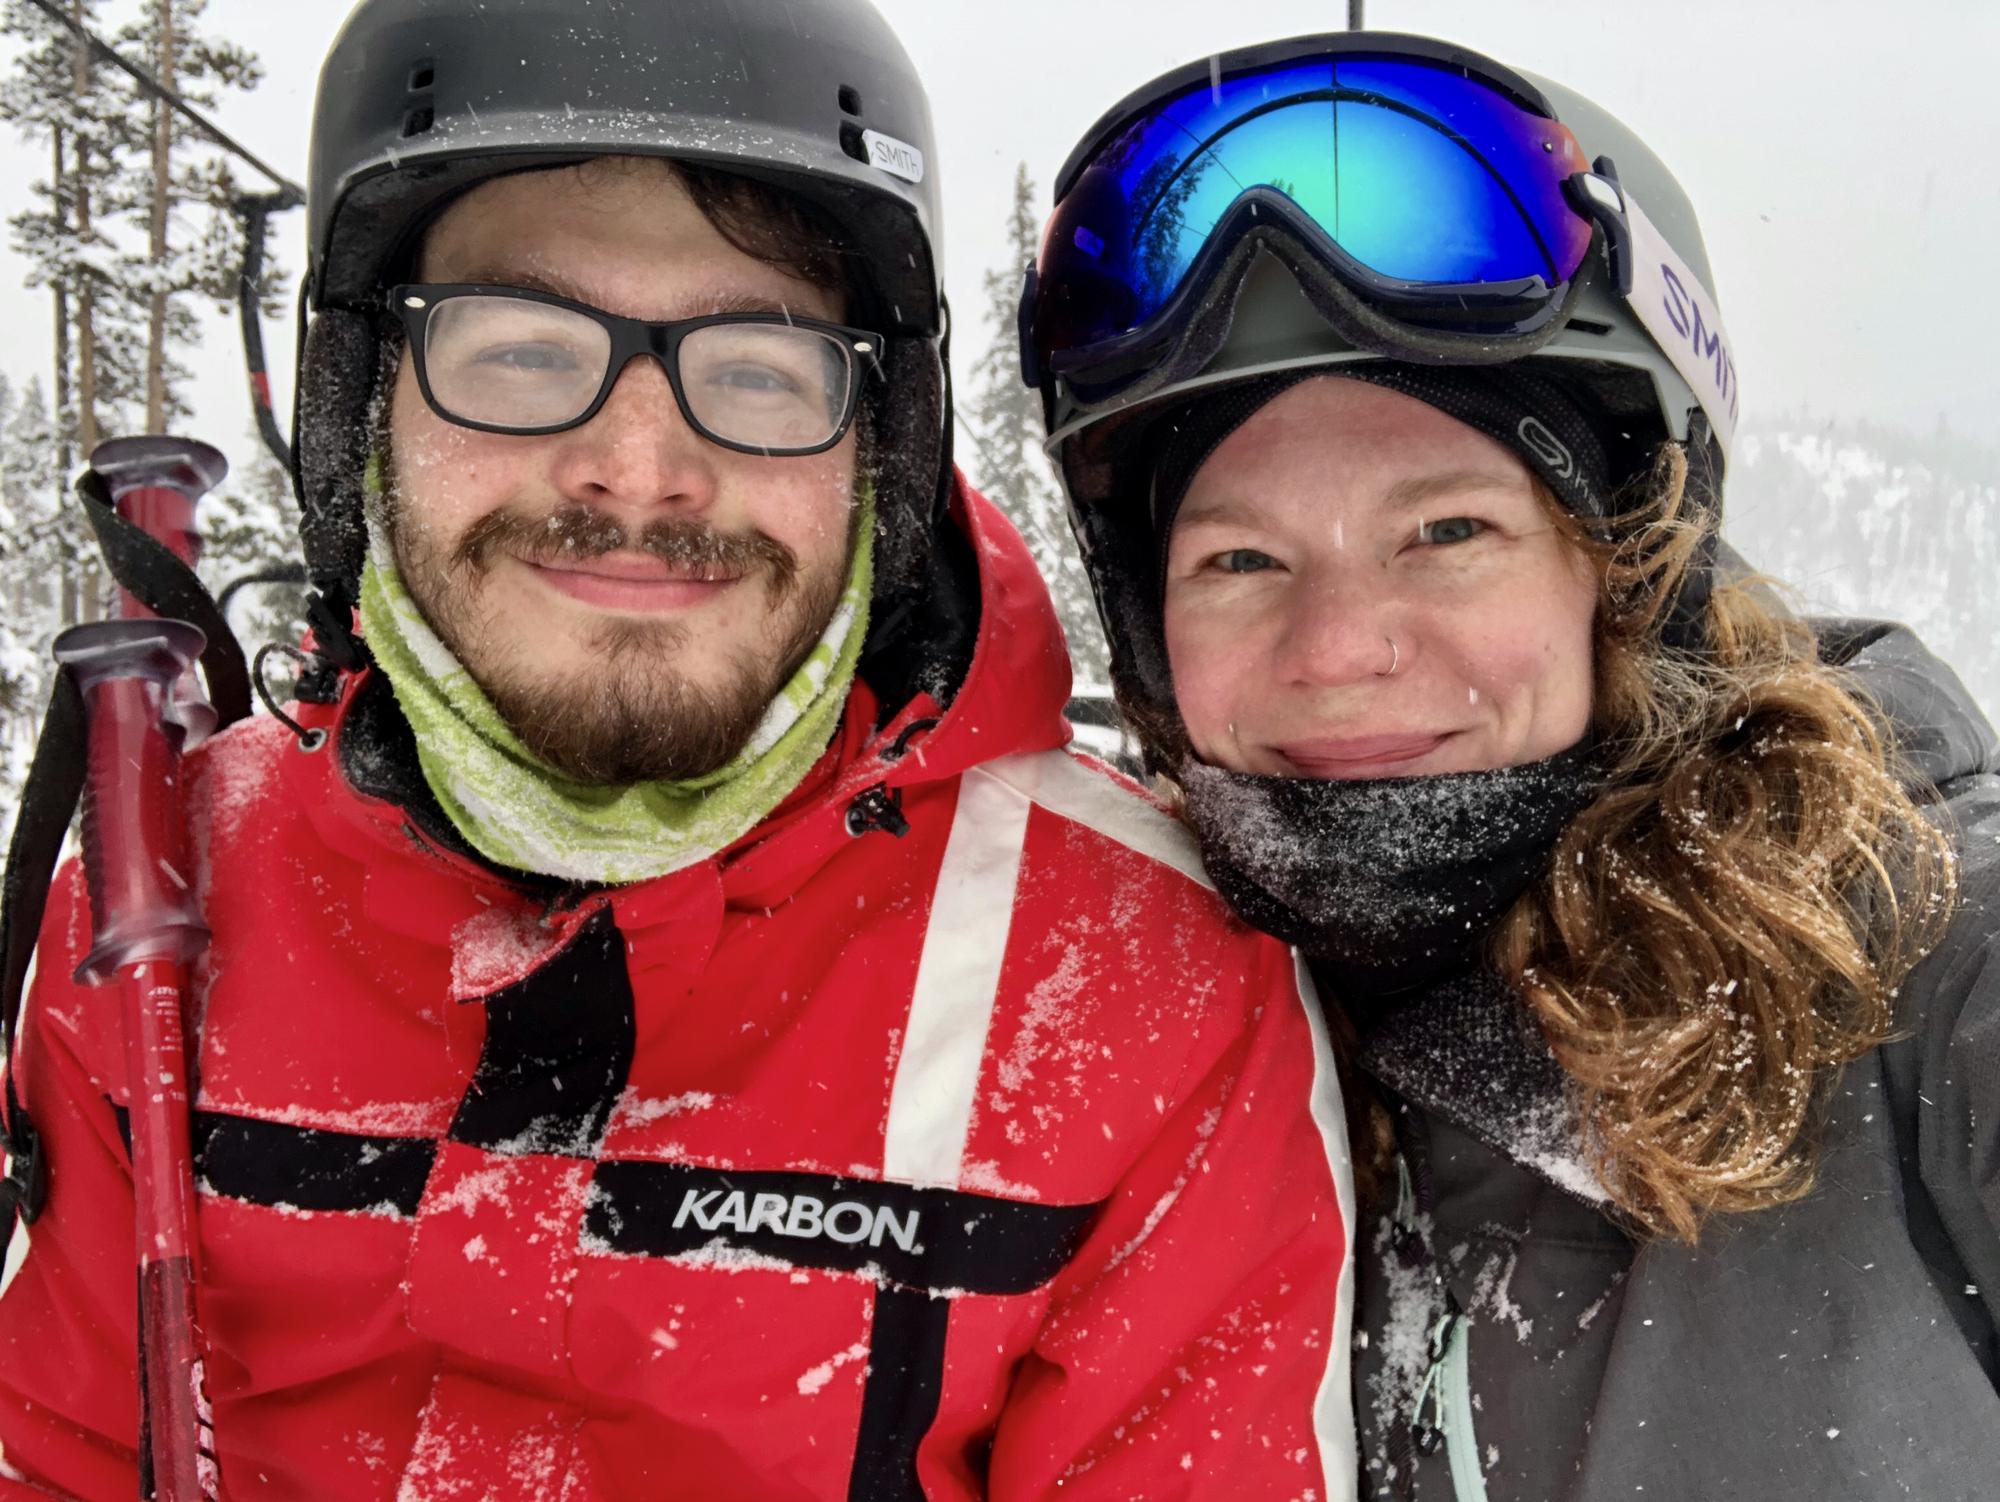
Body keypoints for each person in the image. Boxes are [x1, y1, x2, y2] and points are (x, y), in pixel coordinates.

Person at [0, 4, 1357, 1497]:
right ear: (361, 411)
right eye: (516, 351)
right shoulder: (158, 900)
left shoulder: (1142, 982)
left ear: (878, 451)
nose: (640, 466)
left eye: (761, 369)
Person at [1022, 30, 2000, 1501]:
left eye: (1448, 530)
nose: (1339, 644)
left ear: (1628, 571)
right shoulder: (1121, 1036)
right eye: (1238, 555)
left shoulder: (1920, 963)